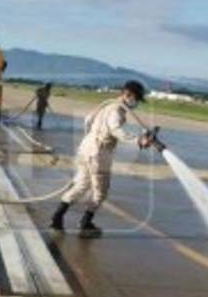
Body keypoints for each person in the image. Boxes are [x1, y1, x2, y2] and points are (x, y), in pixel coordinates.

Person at [50, 80, 154, 237]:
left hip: (86, 149)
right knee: (101, 192)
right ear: (127, 95)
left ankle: (57, 218)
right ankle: (85, 223)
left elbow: (88, 120)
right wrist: (138, 140)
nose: (136, 102)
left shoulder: (107, 106)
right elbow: (116, 129)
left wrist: (92, 136)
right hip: (98, 153)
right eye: (136, 99)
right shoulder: (116, 110)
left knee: (81, 186)